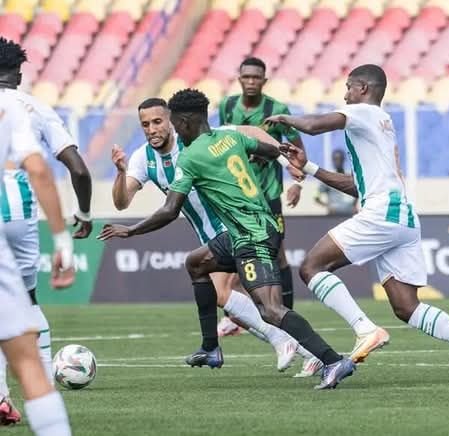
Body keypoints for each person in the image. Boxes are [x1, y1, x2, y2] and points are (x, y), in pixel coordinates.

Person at [99, 89, 355, 389]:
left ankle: (329, 359)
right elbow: (263, 146)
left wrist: (130, 230)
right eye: (146, 124)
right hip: (254, 227)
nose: (154, 129)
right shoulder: (228, 139)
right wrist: (288, 158)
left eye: (163, 122)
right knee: (196, 264)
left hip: (247, 234)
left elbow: (170, 210)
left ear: (178, 122)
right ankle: (211, 347)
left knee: (270, 310)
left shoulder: (190, 156)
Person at [267, 64, 449, 383]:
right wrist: (309, 167)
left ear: (363, 89)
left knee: (312, 267)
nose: (345, 94)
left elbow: (312, 126)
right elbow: (358, 187)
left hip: (383, 213)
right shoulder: (380, 122)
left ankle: (365, 329)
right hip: (401, 216)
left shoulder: (363, 112)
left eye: (349, 87)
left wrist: (285, 118)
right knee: (406, 307)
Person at [0, 36, 92, 425]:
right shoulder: (29, 108)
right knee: (25, 302)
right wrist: (76, 222)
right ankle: (41, 389)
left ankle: (2, 396)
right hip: (17, 212)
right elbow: (77, 169)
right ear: (19, 74)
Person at [0, 90, 75, 435]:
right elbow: (38, 170)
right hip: (10, 218)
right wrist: (62, 241)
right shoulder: (12, 107)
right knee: (26, 354)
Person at [217, 56, 304, 313]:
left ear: (264, 81)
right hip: (237, 193)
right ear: (239, 79)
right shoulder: (227, 106)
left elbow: (297, 148)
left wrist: (298, 182)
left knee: (277, 253)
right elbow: (222, 142)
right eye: (247, 77)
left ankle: (287, 314)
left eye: (256, 77)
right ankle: (237, 314)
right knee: (239, 248)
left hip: (268, 192)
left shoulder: (277, 109)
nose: (251, 82)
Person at [315, 150, 357, 215]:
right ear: (332, 160)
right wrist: (328, 206)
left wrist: (354, 205)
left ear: (344, 160)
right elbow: (316, 197)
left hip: (349, 213)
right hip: (334, 214)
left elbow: (358, 193)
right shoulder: (328, 177)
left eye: (340, 159)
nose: (338, 162)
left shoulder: (350, 176)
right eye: (335, 159)